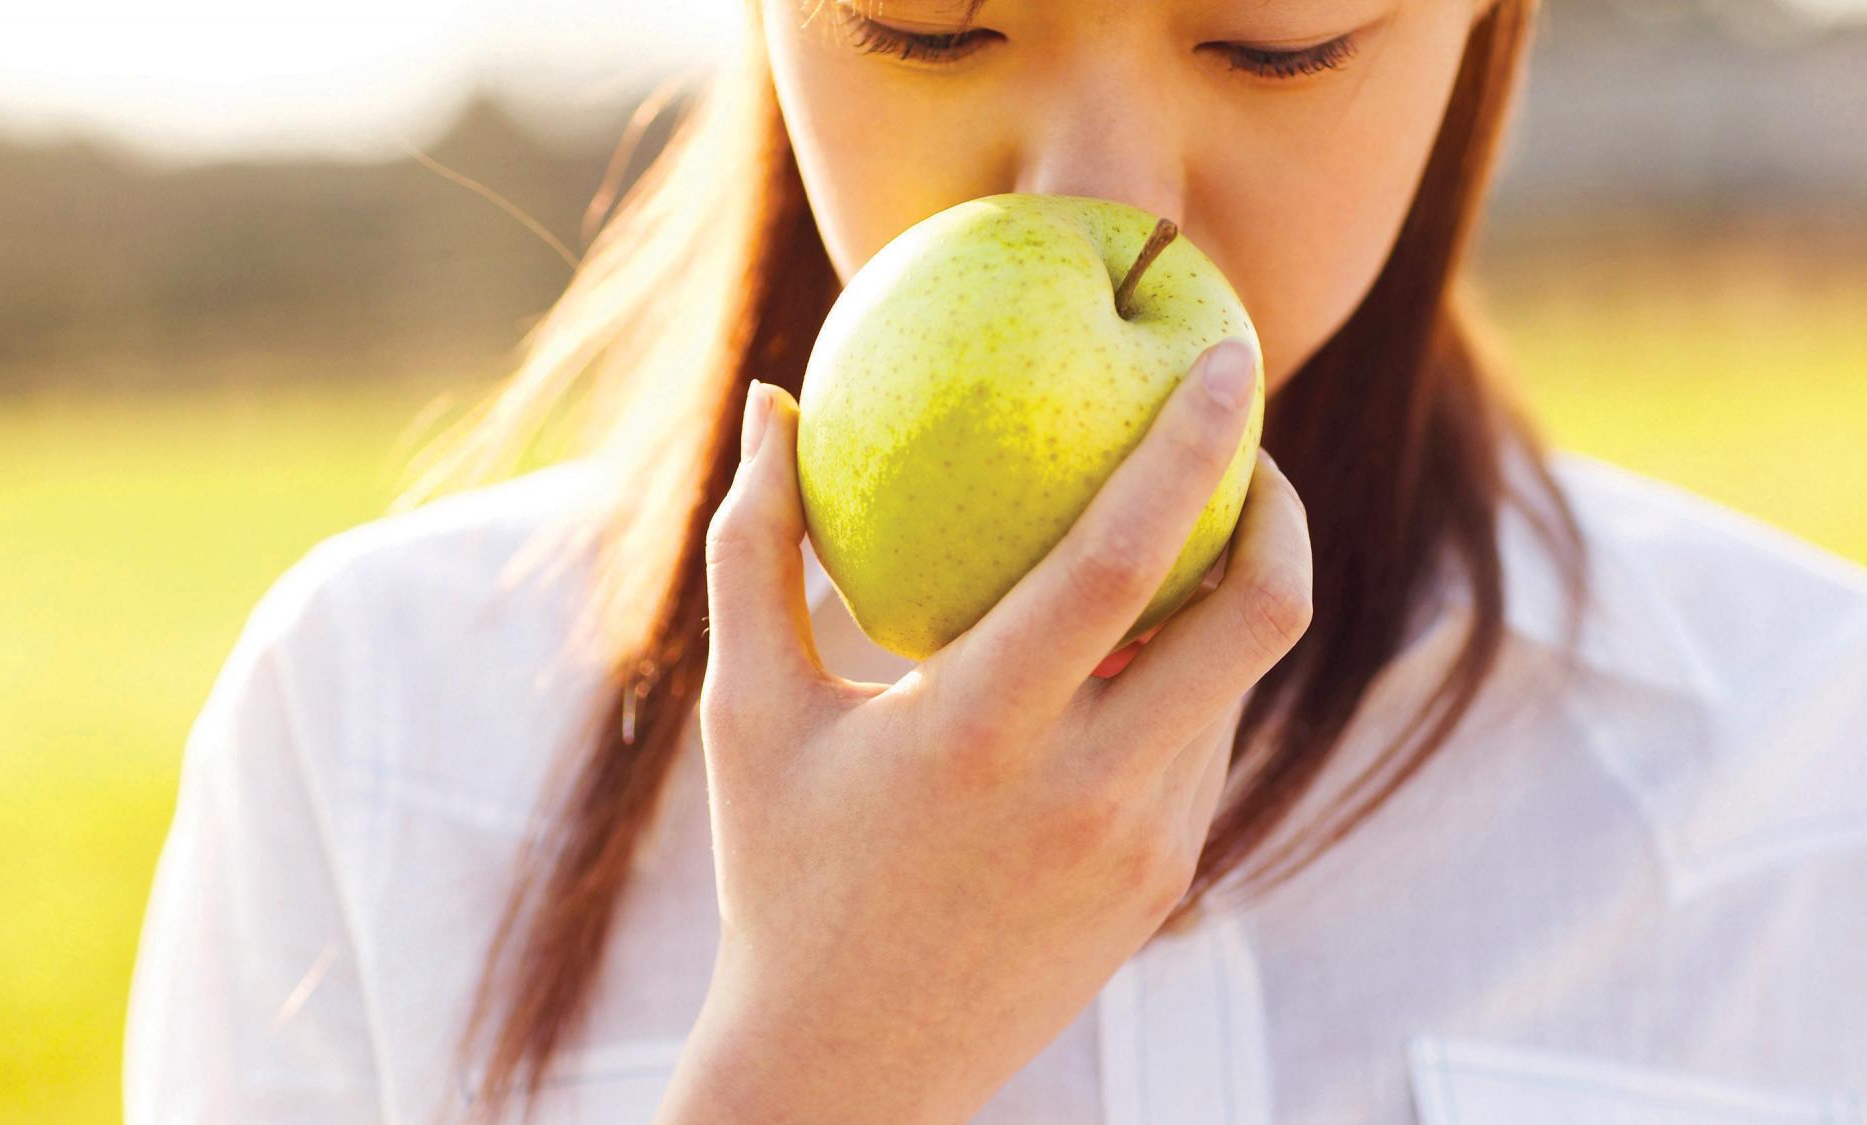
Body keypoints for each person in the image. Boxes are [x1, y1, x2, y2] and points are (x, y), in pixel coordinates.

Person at [123, 0, 1867, 1121]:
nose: (1094, 198)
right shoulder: (368, 735)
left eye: (1273, 45)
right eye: (931, 25)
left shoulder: (1818, 762)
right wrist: (812, 1077)